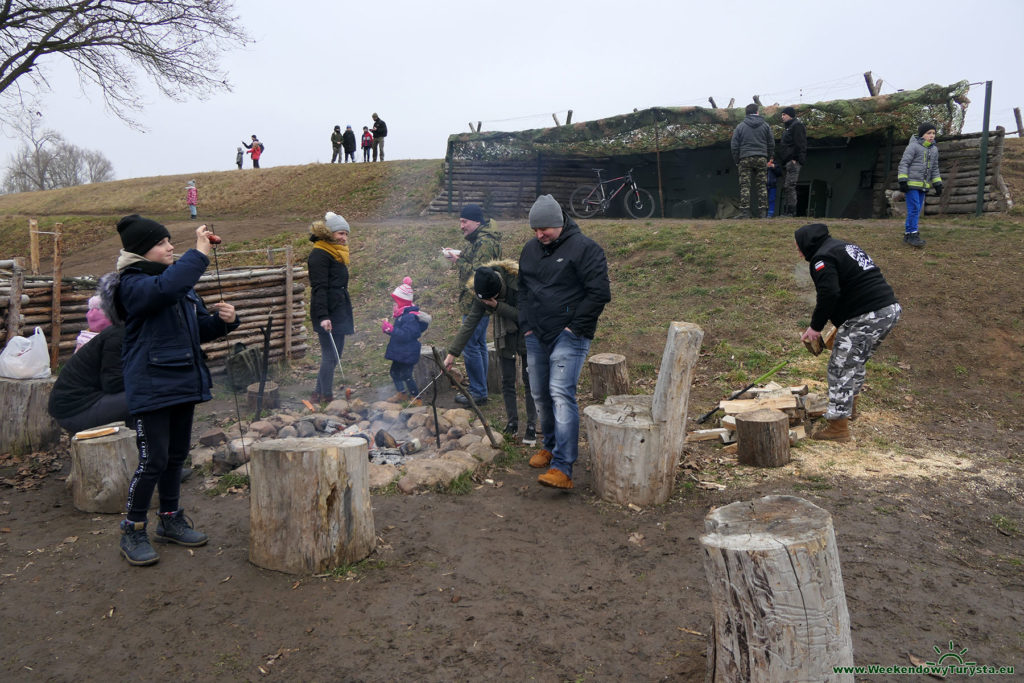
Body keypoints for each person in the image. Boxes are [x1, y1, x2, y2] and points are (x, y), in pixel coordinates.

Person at [112, 216, 239, 566]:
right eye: (162, 243)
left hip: (181, 380)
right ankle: (132, 528)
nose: (170, 247)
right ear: (141, 251)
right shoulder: (132, 284)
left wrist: (224, 322)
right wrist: (197, 253)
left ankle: (170, 520)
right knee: (152, 459)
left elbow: (196, 330)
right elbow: (163, 291)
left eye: (171, 242)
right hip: (151, 384)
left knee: (175, 457)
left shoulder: (177, 284)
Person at [518, 195, 610, 490]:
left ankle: (563, 467)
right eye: (535, 229)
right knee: (539, 394)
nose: (539, 234)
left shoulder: (585, 249)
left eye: (544, 228)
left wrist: (574, 329)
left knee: (560, 393)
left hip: (568, 335)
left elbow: (599, 293)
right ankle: (551, 446)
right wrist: (527, 327)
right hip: (537, 335)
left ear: (558, 223)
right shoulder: (530, 250)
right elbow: (521, 290)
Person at [795, 223, 901, 442]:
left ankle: (838, 428)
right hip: (887, 310)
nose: (798, 251)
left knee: (840, 367)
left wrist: (815, 327)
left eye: (799, 246)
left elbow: (829, 293)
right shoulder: (843, 247)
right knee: (855, 361)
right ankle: (849, 409)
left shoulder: (822, 258)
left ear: (808, 244)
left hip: (868, 315)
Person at [444, 262, 537, 445]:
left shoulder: (519, 283)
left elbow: (525, 316)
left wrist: (496, 306)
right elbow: (470, 323)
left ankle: (532, 426)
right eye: (483, 301)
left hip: (529, 333)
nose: (485, 303)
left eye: (489, 299)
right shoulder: (483, 291)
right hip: (505, 336)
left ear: (498, 289)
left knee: (530, 381)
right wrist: (451, 354)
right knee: (507, 381)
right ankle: (512, 423)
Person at [443, 203, 502, 406]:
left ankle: (478, 392)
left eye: (464, 221)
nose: (461, 226)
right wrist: (458, 255)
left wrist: (457, 261)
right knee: (478, 345)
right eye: (460, 221)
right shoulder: (478, 240)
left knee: (470, 346)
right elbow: (473, 260)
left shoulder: (485, 243)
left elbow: (479, 273)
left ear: (477, 221)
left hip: (476, 301)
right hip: (475, 300)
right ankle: (481, 388)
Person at [307, 212, 354, 404]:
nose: (343, 238)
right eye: (340, 233)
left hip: (339, 308)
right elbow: (319, 288)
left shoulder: (336, 253)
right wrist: (323, 316)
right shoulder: (319, 254)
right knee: (330, 355)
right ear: (329, 233)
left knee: (335, 355)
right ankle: (326, 396)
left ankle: (318, 393)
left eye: (346, 234)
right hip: (327, 311)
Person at [380, 277, 430, 405]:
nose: (394, 303)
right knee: (394, 372)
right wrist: (388, 330)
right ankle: (401, 393)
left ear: (403, 301)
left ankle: (416, 398)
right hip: (399, 351)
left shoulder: (410, 317)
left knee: (407, 375)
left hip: (408, 351)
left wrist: (392, 330)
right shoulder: (401, 314)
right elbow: (399, 333)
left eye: (397, 301)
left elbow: (407, 335)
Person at [897, 122, 942, 248]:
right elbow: (904, 164)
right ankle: (912, 234)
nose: (932, 135)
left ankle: (908, 234)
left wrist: (937, 183)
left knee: (916, 210)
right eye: (929, 133)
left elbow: (934, 168)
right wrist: (902, 180)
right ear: (922, 134)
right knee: (915, 209)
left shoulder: (934, 149)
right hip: (911, 184)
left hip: (923, 186)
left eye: (933, 133)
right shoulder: (913, 147)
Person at [730, 103, 775, 219]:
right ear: (757, 112)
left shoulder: (740, 127)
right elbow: (771, 143)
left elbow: (734, 145)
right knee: (762, 185)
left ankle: (745, 213)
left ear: (746, 113)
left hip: (745, 158)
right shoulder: (766, 126)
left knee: (745, 185)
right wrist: (767, 157)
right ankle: (763, 213)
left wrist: (737, 160)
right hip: (761, 157)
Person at [778, 106, 807, 217]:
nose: (782, 117)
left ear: (790, 115)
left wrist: (795, 158)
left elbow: (800, 143)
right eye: (782, 115)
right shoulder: (788, 128)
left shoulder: (797, 125)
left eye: (784, 114)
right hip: (787, 161)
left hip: (793, 161)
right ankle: (787, 211)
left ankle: (791, 212)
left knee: (790, 185)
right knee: (787, 186)